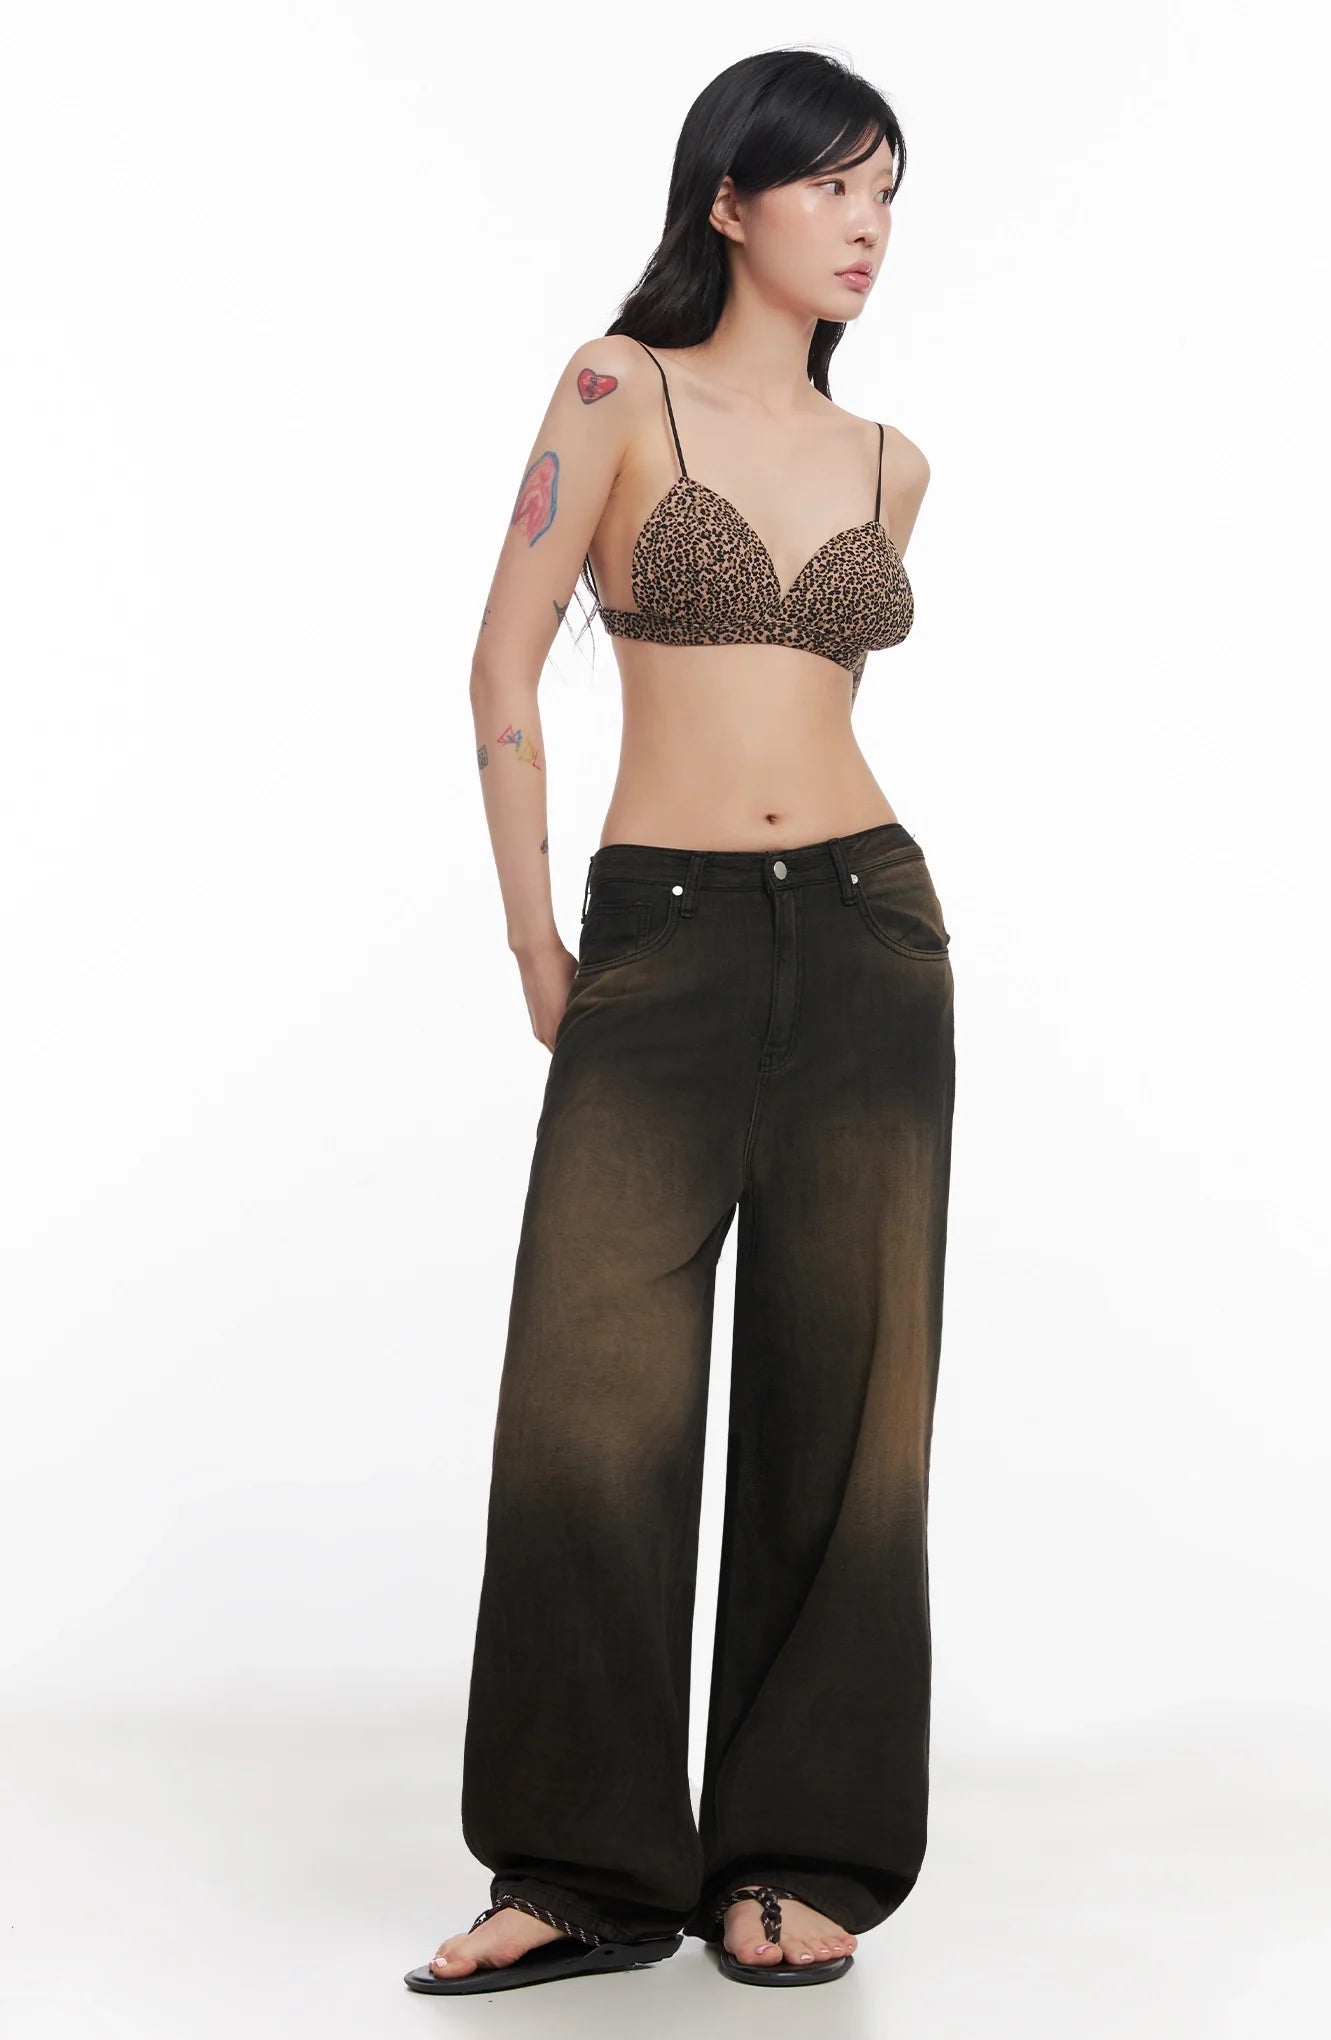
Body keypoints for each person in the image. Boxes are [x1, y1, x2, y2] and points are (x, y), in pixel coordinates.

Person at [405, 47, 955, 1997]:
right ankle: (577, 1869)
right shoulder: (612, 391)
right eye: (832, 186)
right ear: (731, 198)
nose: (867, 226)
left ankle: (797, 1853)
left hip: (871, 934)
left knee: (849, 1401)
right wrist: (534, 943)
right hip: (663, 932)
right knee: (594, 1395)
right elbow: (502, 665)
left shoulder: (889, 462)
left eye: (887, 193)